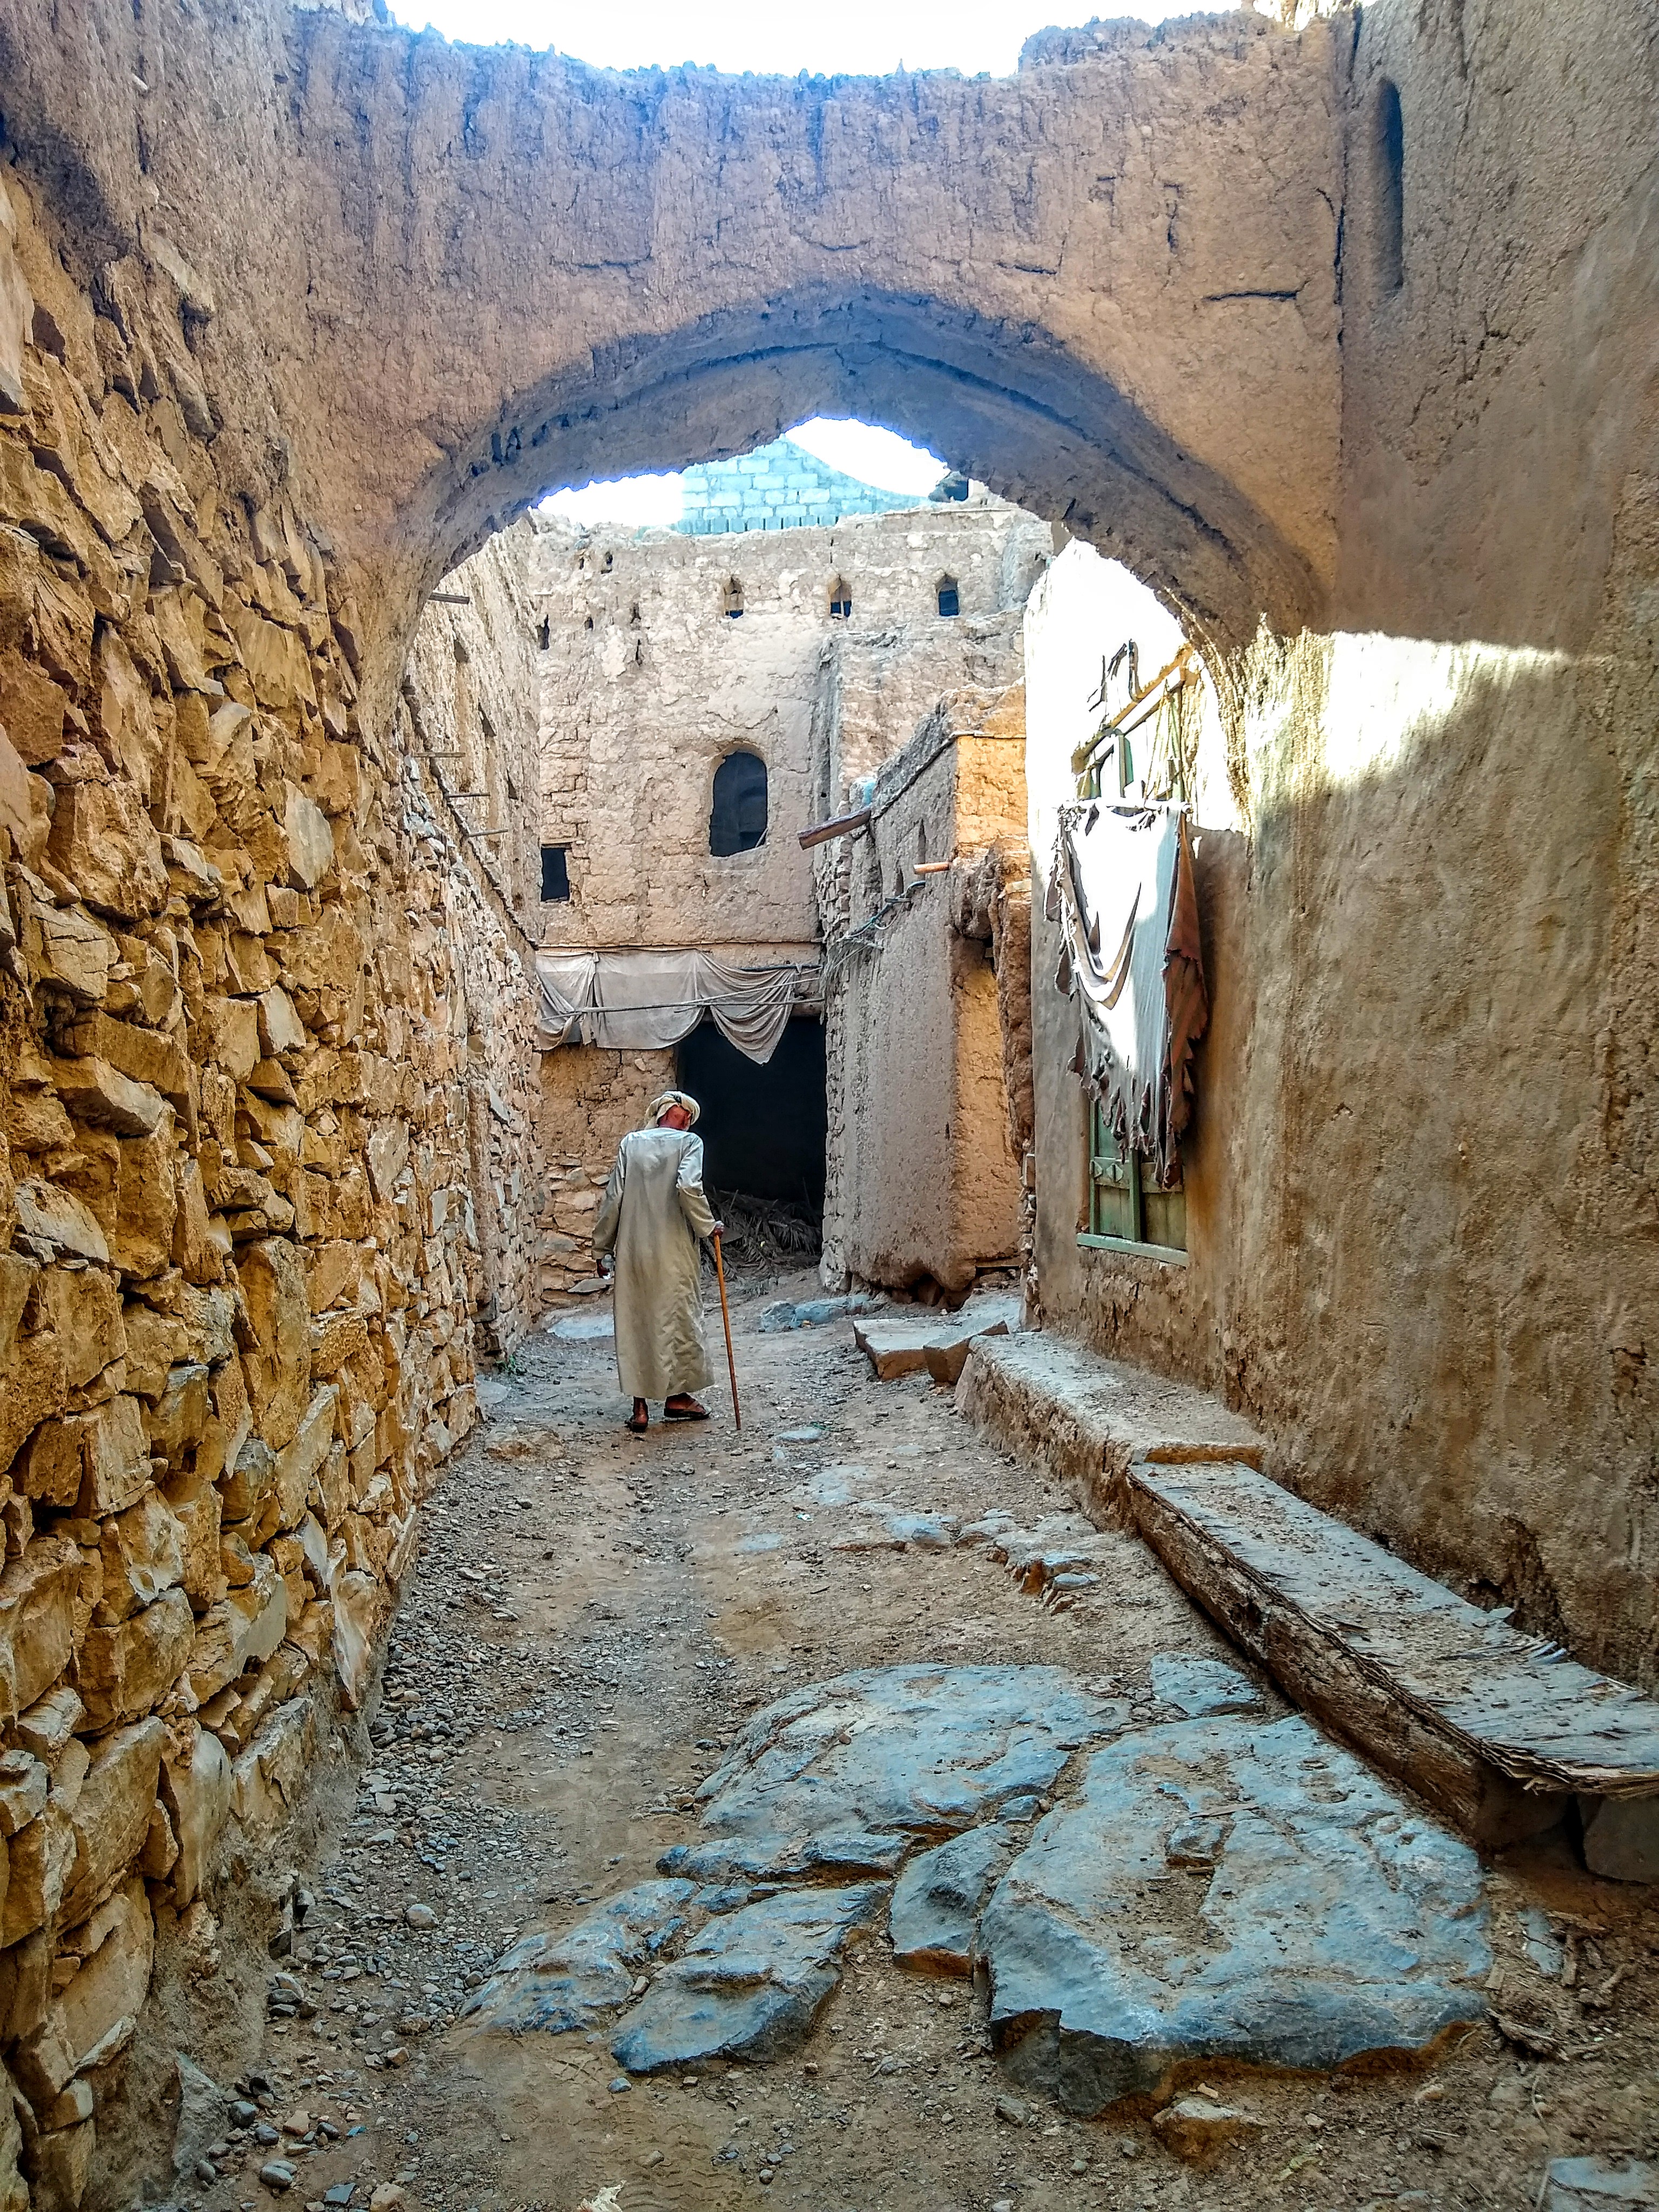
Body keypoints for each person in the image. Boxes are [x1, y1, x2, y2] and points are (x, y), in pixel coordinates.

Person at [591, 1089, 725, 1434]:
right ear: (686, 1118)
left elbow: (614, 1198)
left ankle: (641, 1409)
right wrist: (708, 1226)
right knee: (676, 1319)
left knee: (637, 1320)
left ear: (660, 1113)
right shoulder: (690, 1143)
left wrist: (602, 1249)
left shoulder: (631, 1143)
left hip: (634, 1249)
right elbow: (688, 1187)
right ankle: (677, 1398)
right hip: (674, 1249)